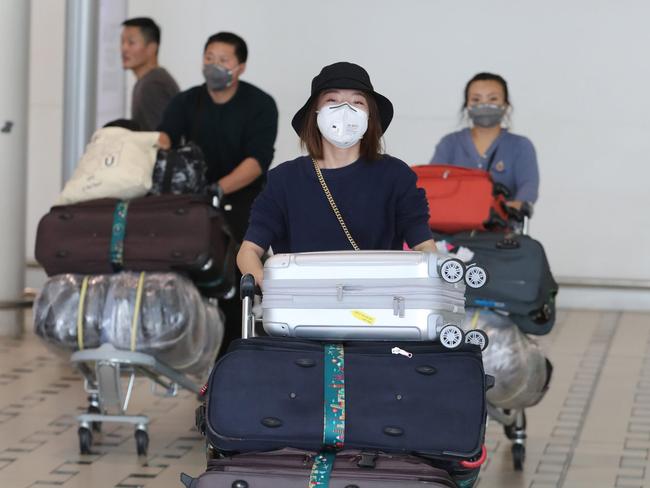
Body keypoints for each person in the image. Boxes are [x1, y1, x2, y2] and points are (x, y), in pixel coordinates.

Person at [237, 62, 437, 287]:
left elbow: (423, 246)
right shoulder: (283, 180)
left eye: (357, 102)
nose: (345, 110)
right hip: (302, 310)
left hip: (379, 310)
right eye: (332, 100)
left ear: (370, 116)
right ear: (315, 113)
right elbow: (248, 251)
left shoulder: (396, 176)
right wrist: (273, 290)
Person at [158, 31, 278, 243]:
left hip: (243, 196)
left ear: (241, 67)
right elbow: (165, 139)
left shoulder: (261, 104)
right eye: (209, 58)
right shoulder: (185, 101)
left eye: (223, 60)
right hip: (192, 196)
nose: (214, 65)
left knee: (239, 255)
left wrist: (218, 189)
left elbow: (258, 161)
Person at [430, 72, 539, 210]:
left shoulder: (520, 146)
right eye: (476, 99)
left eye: (493, 99)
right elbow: (433, 181)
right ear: (467, 105)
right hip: (452, 226)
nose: (484, 104)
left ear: (505, 105)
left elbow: (529, 186)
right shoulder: (449, 143)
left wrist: (517, 205)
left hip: (501, 227)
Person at [121, 17, 179, 131]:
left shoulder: (152, 85)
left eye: (131, 42)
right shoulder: (150, 80)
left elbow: (160, 140)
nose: (124, 48)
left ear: (151, 48)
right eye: (122, 42)